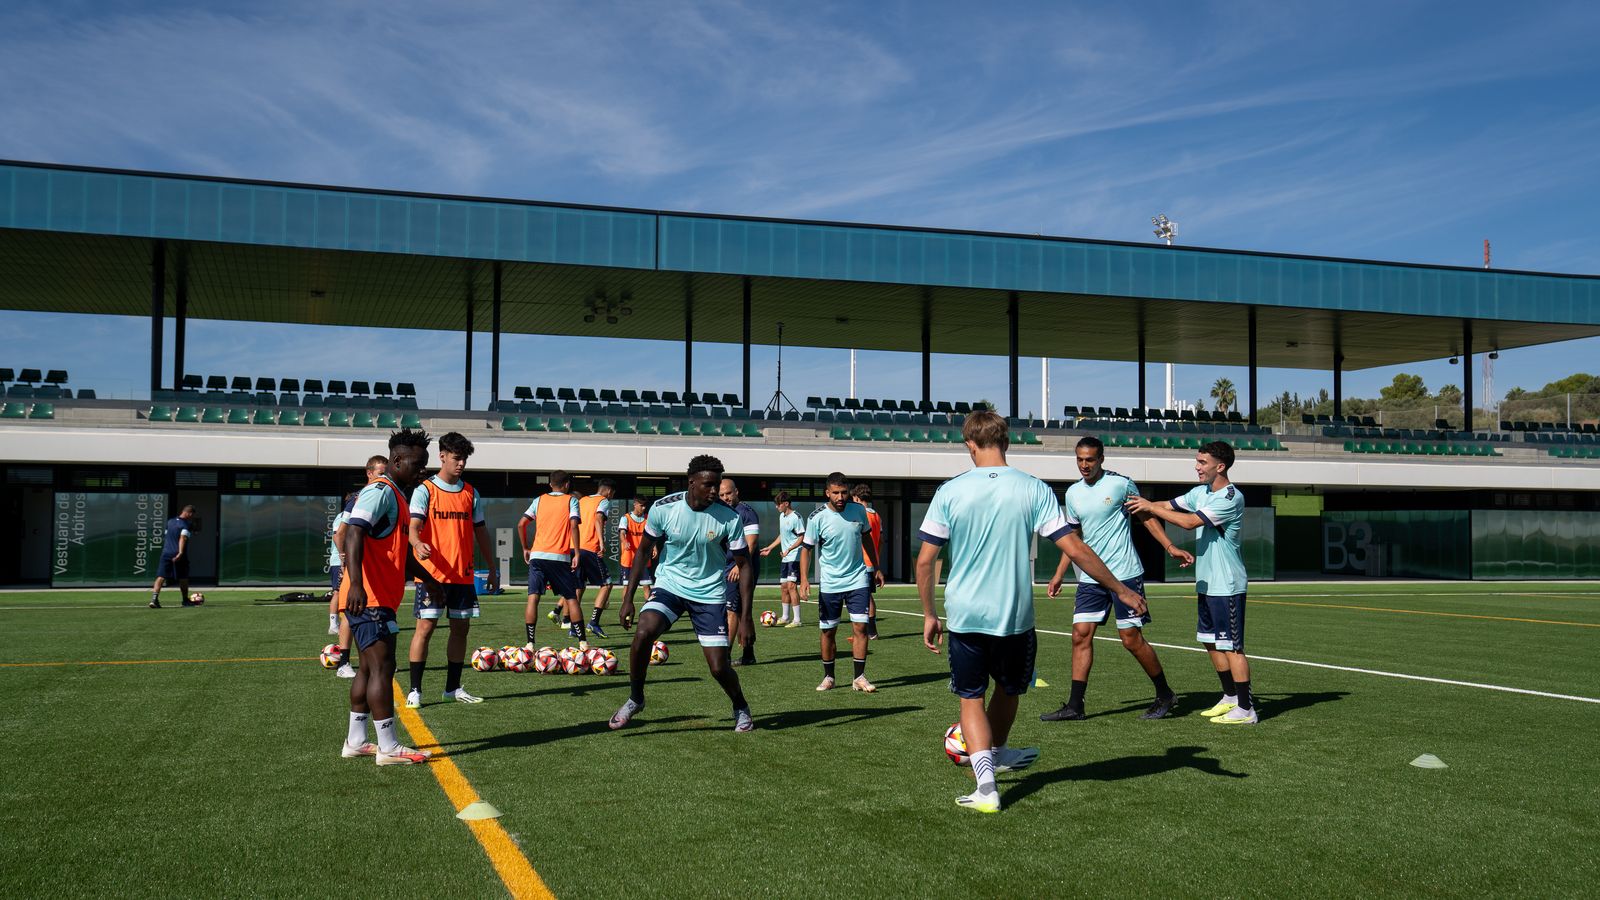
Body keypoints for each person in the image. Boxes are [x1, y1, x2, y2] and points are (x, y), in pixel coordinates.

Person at [915, 410, 1146, 813]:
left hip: (965, 613)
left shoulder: (949, 491)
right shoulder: (1034, 488)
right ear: (1006, 442)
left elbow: (924, 561)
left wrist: (929, 614)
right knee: (1009, 688)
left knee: (971, 698)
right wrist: (1120, 589)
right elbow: (1074, 547)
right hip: (1015, 613)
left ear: (969, 444)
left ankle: (986, 784)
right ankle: (997, 753)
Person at [1041, 436, 1193, 721]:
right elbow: (1073, 538)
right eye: (1080, 459)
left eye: (1090, 459)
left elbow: (1146, 516)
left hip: (1125, 574)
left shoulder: (1121, 484)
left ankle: (1164, 693)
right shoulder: (1072, 493)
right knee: (1080, 635)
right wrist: (1059, 573)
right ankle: (1075, 705)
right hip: (1090, 578)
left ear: (1101, 459)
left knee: (1131, 639)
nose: (1084, 465)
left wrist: (1169, 546)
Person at [611, 455, 756, 733]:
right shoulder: (664, 509)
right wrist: (628, 598)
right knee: (643, 633)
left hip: (709, 593)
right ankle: (636, 698)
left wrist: (746, 617)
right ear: (692, 483)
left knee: (718, 667)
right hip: (670, 585)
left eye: (717, 485)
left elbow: (744, 566)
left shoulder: (729, 517)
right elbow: (643, 551)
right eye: (708, 485)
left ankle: (740, 705)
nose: (714, 491)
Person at [1125, 441, 1255, 725]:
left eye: (1202, 462)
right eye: (1196, 461)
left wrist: (1150, 507)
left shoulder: (1231, 497)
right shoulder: (1201, 492)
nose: (1196, 467)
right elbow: (1164, 506)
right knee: (1211, 643)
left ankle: (1246, 709)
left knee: (1232, 646)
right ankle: (1230, 697)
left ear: (1220, 467)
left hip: (1228, 584)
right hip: (1208, 583)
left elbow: (1188, 523)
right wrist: (1136, 504)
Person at [340, 428, 437, 766]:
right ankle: (388, 747)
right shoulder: (380, 491)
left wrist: (429, 579)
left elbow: (399, 554)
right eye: (417, 463)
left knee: (368, 669)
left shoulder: (396, 495)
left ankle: (355, 740)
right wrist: (354, 583)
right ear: (397, 460)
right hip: (369, 598)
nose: (422, 470)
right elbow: (353, 532)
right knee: (383, 668)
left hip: (375, 597)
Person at [405, 432, 499, 709]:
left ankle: (452, 688)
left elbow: (480, 533)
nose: (461, 464)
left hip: (463, 574)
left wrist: (492, 568)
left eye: (464, 459)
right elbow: (412, 527)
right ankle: (415, 691)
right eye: (456, 458)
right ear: (442, 456)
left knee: (461, 629)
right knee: (425, 628)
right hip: (432, 574)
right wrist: (417, 541)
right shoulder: (425, 490)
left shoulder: (471, 492)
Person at [799, 473, 884, 692]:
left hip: (858, 578)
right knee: (829, 631)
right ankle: (829, 677)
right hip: (830, 583)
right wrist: (804, 579)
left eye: (844, 492)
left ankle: (859, 677)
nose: (840, 497)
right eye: (835, 492)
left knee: (860, 627)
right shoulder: (816, 517)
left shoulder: (859, 511)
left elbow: (866, 538)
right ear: (827, 492)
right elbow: (806, 549)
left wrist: (875, 567)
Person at [327, 455, 387, 677]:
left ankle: (378, 659)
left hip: (377, 569)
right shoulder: (360, 498)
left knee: (378, 613)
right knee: (350, 613)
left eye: (386, 472)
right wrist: (345, 562)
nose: (384, 477)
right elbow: (340, 534)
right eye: (380, 472)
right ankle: (343, 663)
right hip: (357, 568)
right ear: (369, 473)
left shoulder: (384, 495)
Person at [518, 470, 582, 648]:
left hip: (537, 555)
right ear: (567, 484)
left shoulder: (538, 500)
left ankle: (530, 644)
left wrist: (525, 548)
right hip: (559, 556)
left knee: (533, 598)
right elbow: (574, 525)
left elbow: (521, 523)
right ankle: (583, 644)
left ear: (550, 484)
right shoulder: (572, 500)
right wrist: (576, 553)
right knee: (571, 598)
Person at [718, 477, 762, 666]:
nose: (726, 497)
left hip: (742, 568)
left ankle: (724, 656)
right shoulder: (721, 512)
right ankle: (748, 654)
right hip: (728, 567)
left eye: (728, 493)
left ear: (737, 492)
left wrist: (738, 566)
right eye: (722, 495)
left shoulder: (746, 513)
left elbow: (751, 543)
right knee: (742, 610)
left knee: (731, 611)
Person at [577, 479, 617, 638]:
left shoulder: (583, 500)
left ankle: (574, 626)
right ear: (608, 491)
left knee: (578, 586)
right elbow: (598, 518)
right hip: (590, 547)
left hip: (576, 548)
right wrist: (601, 542)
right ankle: (593, 622)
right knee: (607, 584)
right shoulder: (603, 501)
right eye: (613, 494)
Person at [758, 491, 805, 627]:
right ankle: (785, 617)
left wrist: (789, 549)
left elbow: (801, 537)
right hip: (785, 557)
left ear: (786, 504)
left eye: (778, 504)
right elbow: (782, 535)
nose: (776, 507)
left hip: (794, 556)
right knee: (784, 587)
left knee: (791, 586)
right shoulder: (781, 516)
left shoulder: (796, 517)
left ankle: (797, 620)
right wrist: (770, 547)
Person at [148, 505, 199, 609]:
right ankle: (185, 601)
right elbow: (182, 538)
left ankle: (154, 600)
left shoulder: (170, 522)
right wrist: (180, 552)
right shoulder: (186, 524)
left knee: (161, 576)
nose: (191, 517)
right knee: (183, 577)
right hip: (178, 553)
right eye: (192, 515)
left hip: (166, 552)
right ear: (189, 513)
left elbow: (166, 535)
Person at [852, 484, 883, 639]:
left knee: (865, 598)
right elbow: (881, 541)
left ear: (856, 498)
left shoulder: (860, 514)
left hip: (863, 562)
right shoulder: (876, 515)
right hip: (871, 562)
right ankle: (870, 631)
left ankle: (870, 632)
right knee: (867, 596)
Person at [616, 497, 656, 589]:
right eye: (641, 506)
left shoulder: (648, 518)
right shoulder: (625, 518)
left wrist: (654, 547)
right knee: (627, 587)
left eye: (645, 506)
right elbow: (622, 533)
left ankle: (648, 604)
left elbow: (652, 534)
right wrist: (625, 541)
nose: (644, 508)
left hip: (643, 558)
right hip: (628, 558)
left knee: (646, 586)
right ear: (635, 504)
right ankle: (625, 604)